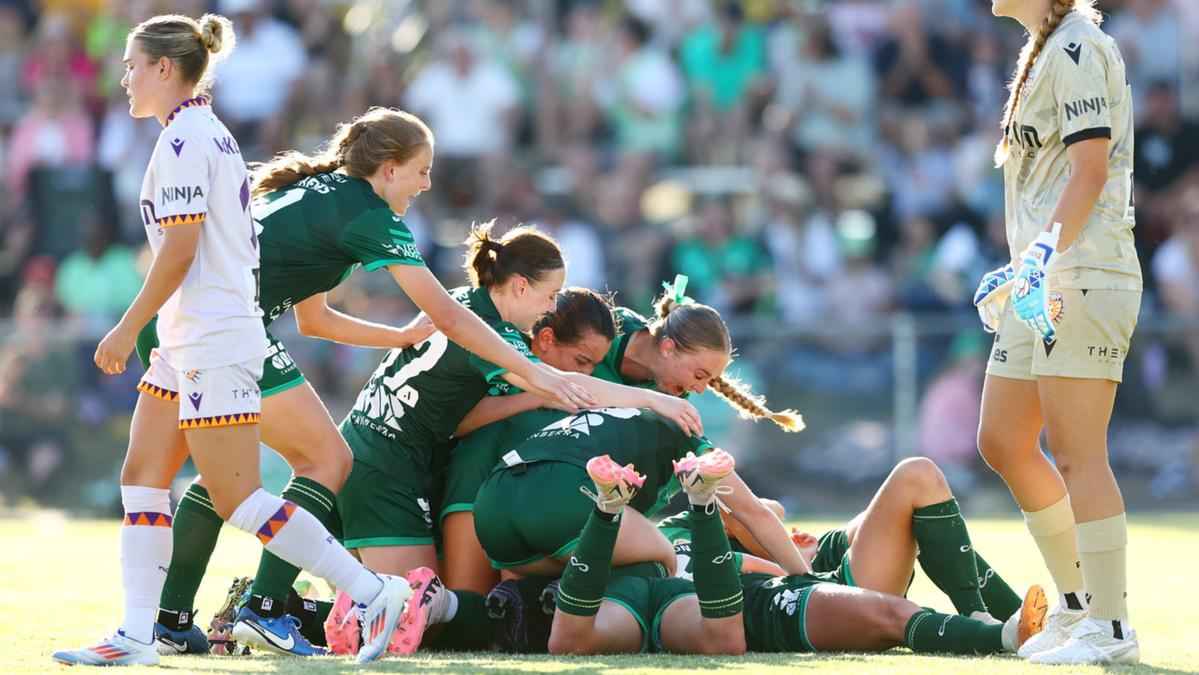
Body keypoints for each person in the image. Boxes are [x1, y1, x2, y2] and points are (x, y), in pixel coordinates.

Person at [142, 105, 594, 657]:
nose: (427, 184)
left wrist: (398, 339)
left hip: (174, 320)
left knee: (220, 478)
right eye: (422, 170)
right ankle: (264, 610)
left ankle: (170, 620)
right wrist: (537, 374)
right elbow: (451, 317)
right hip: (218, 329)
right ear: (388, 168)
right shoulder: (370, 216)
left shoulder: (320, 190)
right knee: (327, 462)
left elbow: (315, 319)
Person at [51, 14, 409, 667]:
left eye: (133, 65)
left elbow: (182, 247)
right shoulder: (195, 132)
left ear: (166, 69)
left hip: (214, 337)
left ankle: (372, 591)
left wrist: (129, 323)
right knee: (142, 479)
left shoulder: (188, 138)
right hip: (191, 336)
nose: (125, 77)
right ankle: (137, 634)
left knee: (238, 499)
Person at [320, 224, 702, 658]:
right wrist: (654, 401)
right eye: (550, 293)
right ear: (520, 286)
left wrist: (531, 396)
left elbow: (464, 418)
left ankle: (304, 608)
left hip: (369, 450)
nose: (553, 306)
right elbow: (562, 383)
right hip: (386, 467)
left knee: (413, 610)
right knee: (412, 616)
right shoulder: (491, 334)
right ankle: (290, 608)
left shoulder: (464, 304)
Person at [972, 0, 1141, 664]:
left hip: (1084, 272)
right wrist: (1021, 268)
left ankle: (1112, 624)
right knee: (1002, 439)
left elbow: (1090, 171)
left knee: (1077, 452)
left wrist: (1039, 256)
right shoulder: (1048, 44)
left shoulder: (1076, 45)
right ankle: (1075, 607)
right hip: (1045, 274)